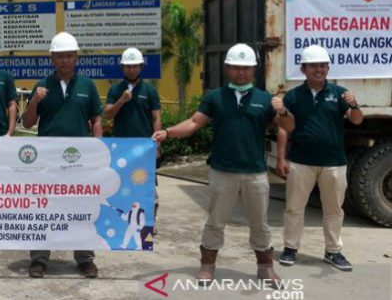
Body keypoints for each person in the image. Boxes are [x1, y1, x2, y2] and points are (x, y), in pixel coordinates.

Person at [152, 43, 293, 288]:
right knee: (216, 221)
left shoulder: (265, 99)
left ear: (254, 70)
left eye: (246, 68)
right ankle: (207, 265)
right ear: (227, 68)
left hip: (255, 173)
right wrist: (167, 132)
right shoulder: (215, 97)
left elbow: (288, 127)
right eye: (236, 67)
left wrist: (283, 111)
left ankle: (266, 268)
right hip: (222, 171)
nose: (241, 72)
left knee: (260, 222)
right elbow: (194, 122)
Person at [21, 31, 103, 279]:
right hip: (47, 161)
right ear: (52, 59)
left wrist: (99, 149)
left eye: (69, 55)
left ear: (76, 57)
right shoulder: (42, 86)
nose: (65, 60)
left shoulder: (87, 85)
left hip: (80, 160)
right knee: (43, 208)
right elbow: (27, 122)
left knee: (82, 208)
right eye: (60, 56)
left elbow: (96, 119)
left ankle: (85, 258)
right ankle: (38, 259)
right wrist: (34, 101)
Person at [276, 45, 363, 271]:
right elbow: (284, 128)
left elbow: (356, 120)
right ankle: (290, 248)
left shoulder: (340, 93)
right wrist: (281, 158)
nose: (319, 69)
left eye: (323, 65)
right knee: (294, 208)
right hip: (300, 162)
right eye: (313, 66)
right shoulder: (293, 96)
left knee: (334, 210)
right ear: (303, 69)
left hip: (334, 163)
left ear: (328, 68)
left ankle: (333, 251)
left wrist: (354, 105)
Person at [104, 47, 161, 231]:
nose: (131, 70)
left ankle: (149, 223)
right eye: (128, 66)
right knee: (121, 185)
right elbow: (108, 114)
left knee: (148, 187)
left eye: (135, 66)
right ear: (122, 67)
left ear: (141, 67)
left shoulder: (149, 90)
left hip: (144, 147)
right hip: (122, 147)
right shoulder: (115, 89)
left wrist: (157, 143)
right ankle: (123, 221)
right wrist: (121, 100)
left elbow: (156, 117)